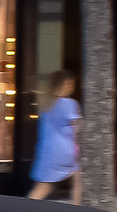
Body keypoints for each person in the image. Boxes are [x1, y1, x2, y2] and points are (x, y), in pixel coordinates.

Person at [28, 71, 79, 199]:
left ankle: (25, 211)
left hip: (46, 149)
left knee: (44, 186)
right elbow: (77, 127)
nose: (73, 87)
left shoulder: (45, 104)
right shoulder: (69, 104)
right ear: (64, 84)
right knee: (77, 181)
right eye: (71, 83)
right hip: (63, 150)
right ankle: (77, 211)